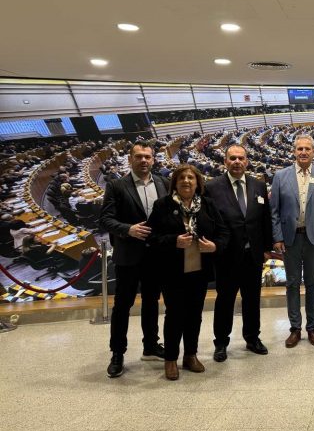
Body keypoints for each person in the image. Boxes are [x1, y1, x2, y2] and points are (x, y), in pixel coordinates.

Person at [148, 165, 228, 380]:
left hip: (199, 271)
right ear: (174, 182)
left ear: (197, 183)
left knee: (194, 315)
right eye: (181, 177)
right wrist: (173, 241)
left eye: (191, 178)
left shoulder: (207, 205)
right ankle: (171, 358)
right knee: (174, 315)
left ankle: (190, 355)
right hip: (172, 271)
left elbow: (223, 232)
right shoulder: (162, 205)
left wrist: (215, 246)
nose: (186, 181)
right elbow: (152, 237)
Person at [99, 140, 168, 378]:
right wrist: (128, 229)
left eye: (147, 156)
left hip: (155, 256)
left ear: (153, 159)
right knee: (122, 306)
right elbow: (105, 219)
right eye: (139, 156)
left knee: (151, 302)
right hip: (128, 255)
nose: (143, 160)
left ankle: (151, 345)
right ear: (130, 159)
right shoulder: (117, 186)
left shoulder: (163, 182)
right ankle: (117, 353)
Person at [205, 144, 273, 361]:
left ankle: (252, 338)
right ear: (225, 161)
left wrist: (266, 248)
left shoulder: (258, 185)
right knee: (225, 300)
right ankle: (221, 342)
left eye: (241, 158)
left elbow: (265, 219)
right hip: (226, 255)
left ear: (247, 161)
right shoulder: (212, 187)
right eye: (232, 158)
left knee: (252, 299)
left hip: (253, 255)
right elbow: (208, 222)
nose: (237, 162)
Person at [271, 134, 314, 348]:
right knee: (292, 284)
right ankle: (295, 328)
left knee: (313, 284)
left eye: (307, 149)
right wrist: (277, 236)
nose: (304, 152)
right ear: (294, 151)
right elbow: (274, 211)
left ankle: (312, 328)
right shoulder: (280, 176)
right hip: (290, 239)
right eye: (300, 149)